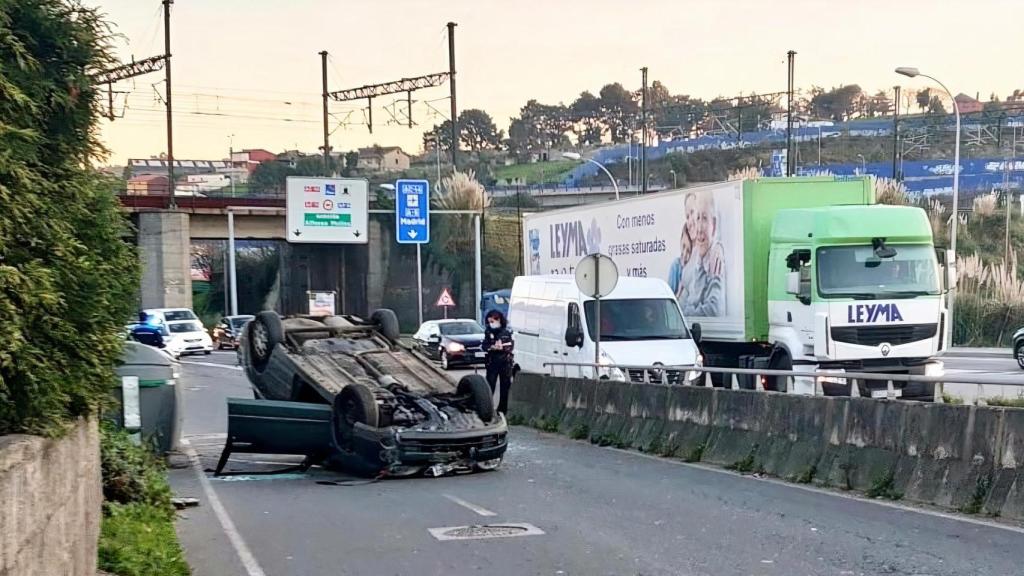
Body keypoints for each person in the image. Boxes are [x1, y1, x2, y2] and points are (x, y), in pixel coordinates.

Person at [482, 310, 514, 414]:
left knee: (505, 387)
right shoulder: (488, 332)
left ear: (499, 320)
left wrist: (502, 348)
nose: (491, 324)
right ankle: (488, 409)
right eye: (489, 321)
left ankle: (503, 409)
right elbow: (485, 345)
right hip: (492, 362)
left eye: (493, 321)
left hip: (504, 362)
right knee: (490, 386)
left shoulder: (505, 332)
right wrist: (491, 347)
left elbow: (510, 346)